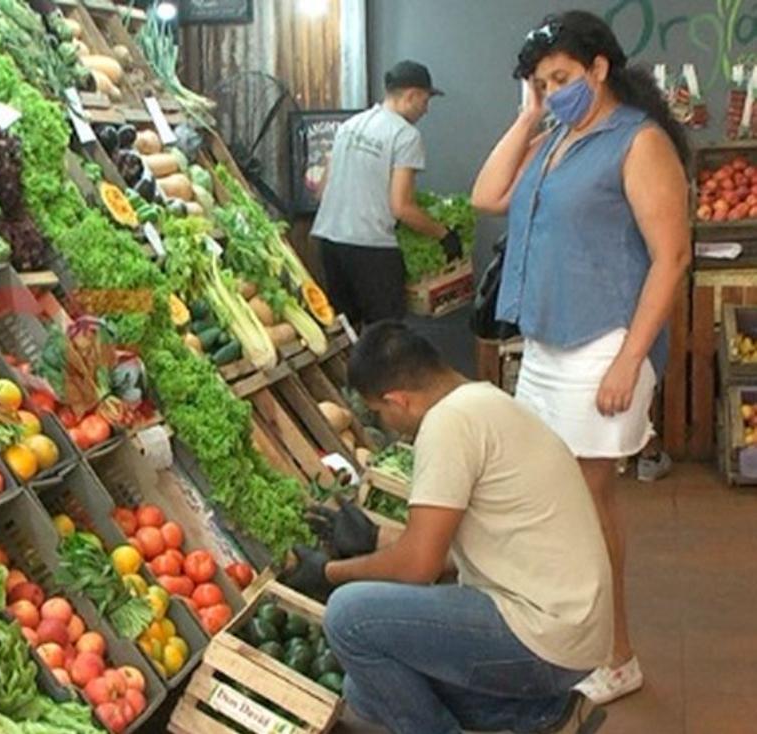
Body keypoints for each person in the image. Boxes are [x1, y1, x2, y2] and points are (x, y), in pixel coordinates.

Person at [470, 10, 690, 703]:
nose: (552, 89)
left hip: (602, 344)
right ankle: (567, 642)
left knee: (586, 501)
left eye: (561, 77)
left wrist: (629, 360)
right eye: (541, 82)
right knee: (552, 500)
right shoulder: (559, 135)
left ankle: (616, 655)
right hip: (544, 342)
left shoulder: (638, 141)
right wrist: (531, 115)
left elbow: (672, 255)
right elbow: (487, 196)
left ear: (600, 68)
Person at [282, 322, 613, 734]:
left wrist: (330, 574)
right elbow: (465, 548)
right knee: (365, 691)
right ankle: (544, 716)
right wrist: (374, 539)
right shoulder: (486, 401)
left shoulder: (447, 424)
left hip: (544, 638)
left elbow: (420, 565)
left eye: (380, 412)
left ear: (397, 400)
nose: (384, 422)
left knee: (348, 618)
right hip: (573, 635)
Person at [310, 60, 463, 328]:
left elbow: (322, 191)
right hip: (372, 249)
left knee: (347, 331)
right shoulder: (405, 135)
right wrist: (445, 234)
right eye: (426, 100)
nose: (426, 110)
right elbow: (401, 207)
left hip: (329, 243)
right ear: (411, 96)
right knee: (386, 334)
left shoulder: (350, 125)